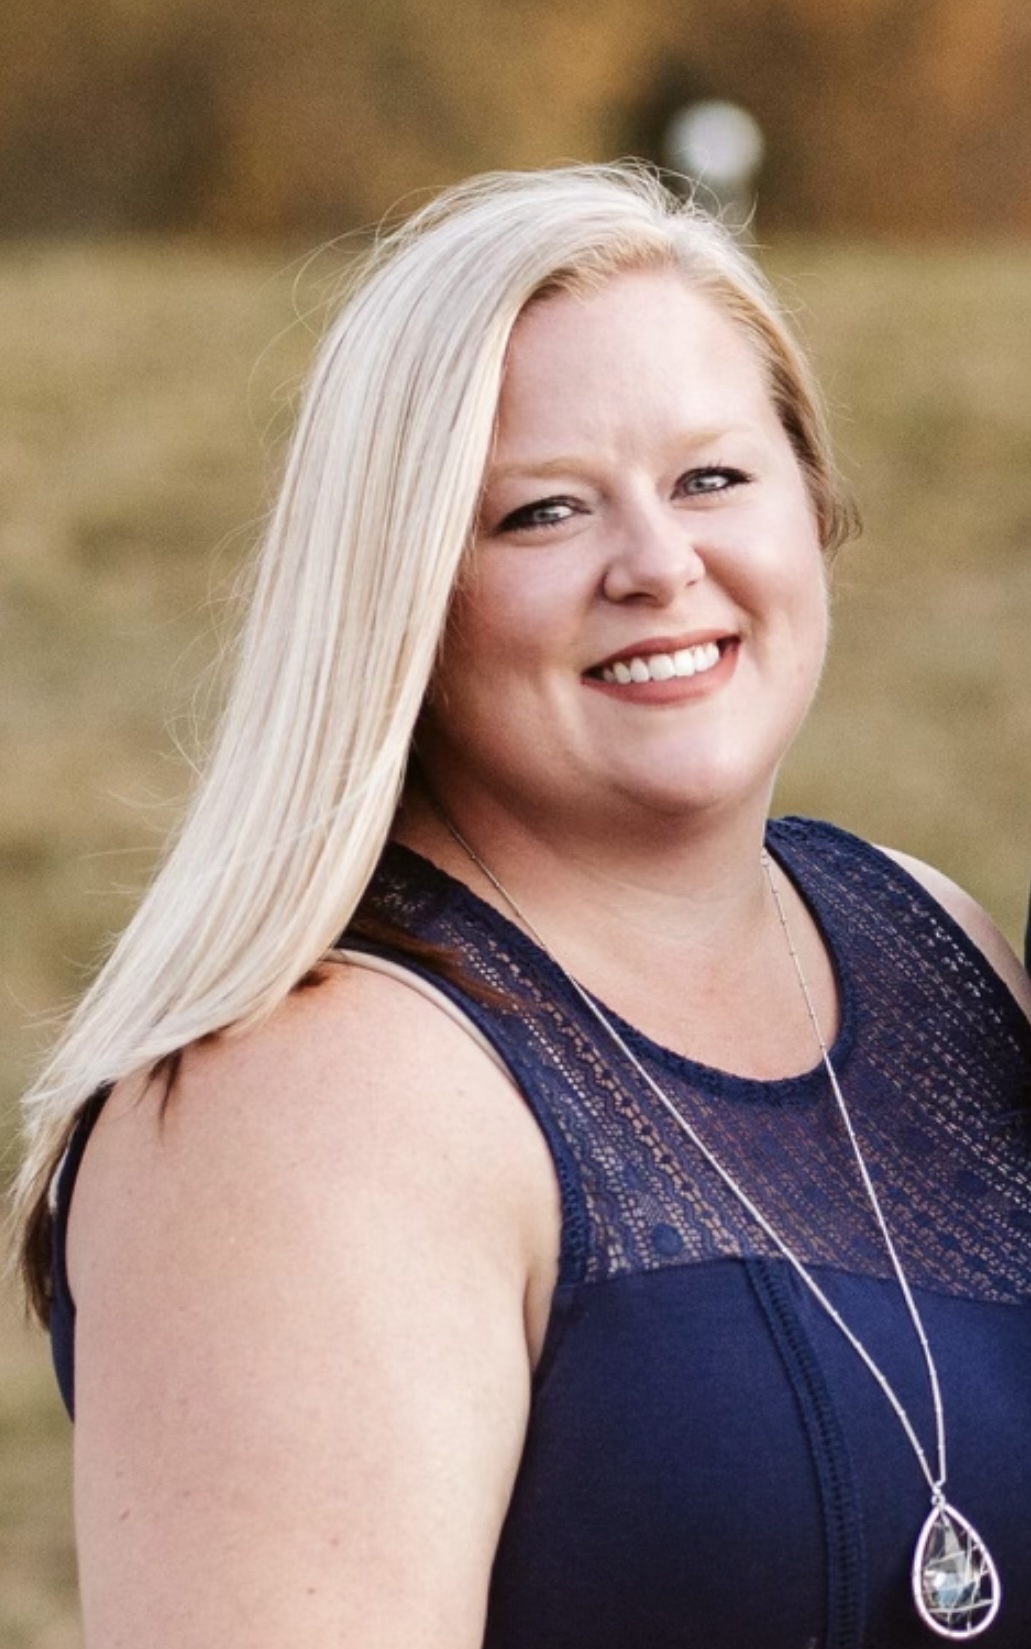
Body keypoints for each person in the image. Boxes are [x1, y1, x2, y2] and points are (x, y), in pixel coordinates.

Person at [13, 164, 1031, 1649]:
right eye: (544, 513)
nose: (660, 565)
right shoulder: (305, 1101)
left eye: (712, 478)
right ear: (404, 594)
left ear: (814, 508)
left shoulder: (939, 952)